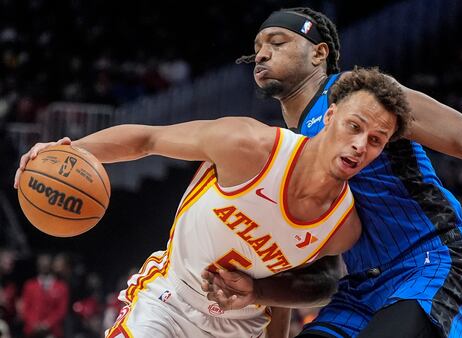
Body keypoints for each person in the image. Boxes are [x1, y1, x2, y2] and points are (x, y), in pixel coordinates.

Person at [199, 7, 462, 338]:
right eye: (258, 47)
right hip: (356, 290)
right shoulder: (286, 147)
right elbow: (299, 267)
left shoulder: (365, 95)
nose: (262, 54)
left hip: (432, 264)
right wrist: (261, 291)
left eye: (277, 42)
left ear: (319, 53)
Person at [14, 67, 412, 338]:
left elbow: (317, 284)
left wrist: (256, 292)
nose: (360, 145)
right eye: (354, 127)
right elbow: (147, 140)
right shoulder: (248, 146)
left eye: (375, 140)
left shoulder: (344, 227)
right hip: (170, 300)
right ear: (329, 117)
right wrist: (68, 152)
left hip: (240, 328)